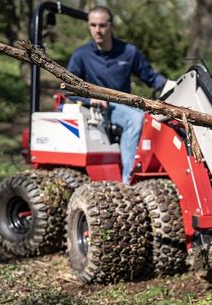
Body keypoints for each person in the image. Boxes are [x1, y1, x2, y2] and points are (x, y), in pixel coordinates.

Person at [67, 5, 167, 184]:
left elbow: (150, 77)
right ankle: (128, 182)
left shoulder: (128, 52)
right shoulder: (81, 55)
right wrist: (90, 99)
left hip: (124, 106)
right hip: (98, 111)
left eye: (102, 25)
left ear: (111, 26)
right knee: (135, 119)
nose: (98, 30)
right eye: (93, 25)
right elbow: (68, 88)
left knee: (160, 120)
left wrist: (168, 85)